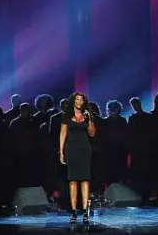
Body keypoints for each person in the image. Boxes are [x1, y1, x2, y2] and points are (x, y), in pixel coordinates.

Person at [60, 92, 96, 224]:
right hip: (71, 150)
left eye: (82, 99)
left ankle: (85, 211)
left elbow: (92, 133)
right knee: (73, 180)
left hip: (85, 149)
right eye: (77, 99)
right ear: (73, 102)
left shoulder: (88, 116)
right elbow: (63, 134)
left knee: (85, 180)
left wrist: (90, 119)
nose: (79, 102)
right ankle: (74, 211)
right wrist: (62, 152)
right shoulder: (67, 116)